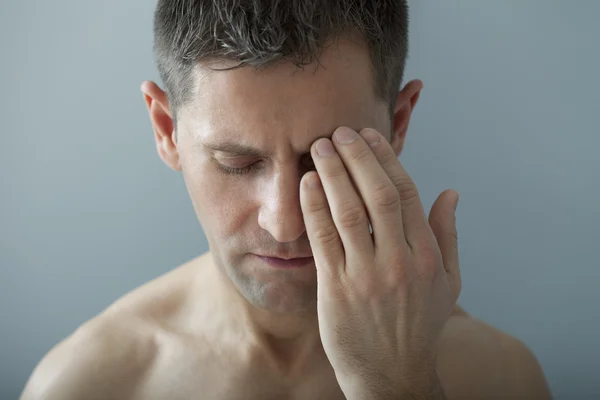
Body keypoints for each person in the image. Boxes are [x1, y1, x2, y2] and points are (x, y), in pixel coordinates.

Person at [21, 1, 552, 399]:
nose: (284, 221)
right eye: (237, 163)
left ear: (399, 122)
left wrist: (395, 385)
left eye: (323, 160)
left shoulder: (501, 377)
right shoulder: (88, 383)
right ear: (166, 129)